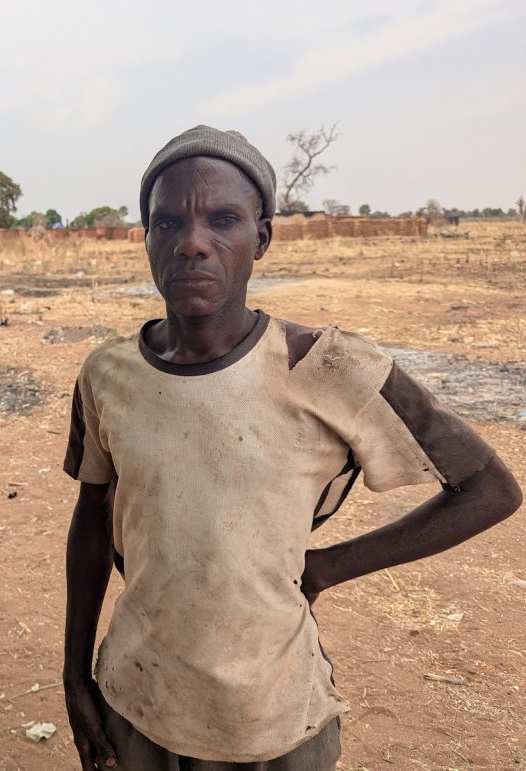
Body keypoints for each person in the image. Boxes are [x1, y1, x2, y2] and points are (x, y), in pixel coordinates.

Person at [61, 125, 522, 771]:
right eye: (166, 223)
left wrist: (327, 566)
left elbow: (491, 490)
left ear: (263, 237)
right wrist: (75, 677)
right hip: (137, 699)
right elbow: (92, 517)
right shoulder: (107, 375)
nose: (192, 244)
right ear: (146, 239)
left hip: (273, 720)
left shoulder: (328, 366)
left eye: (223, 219)